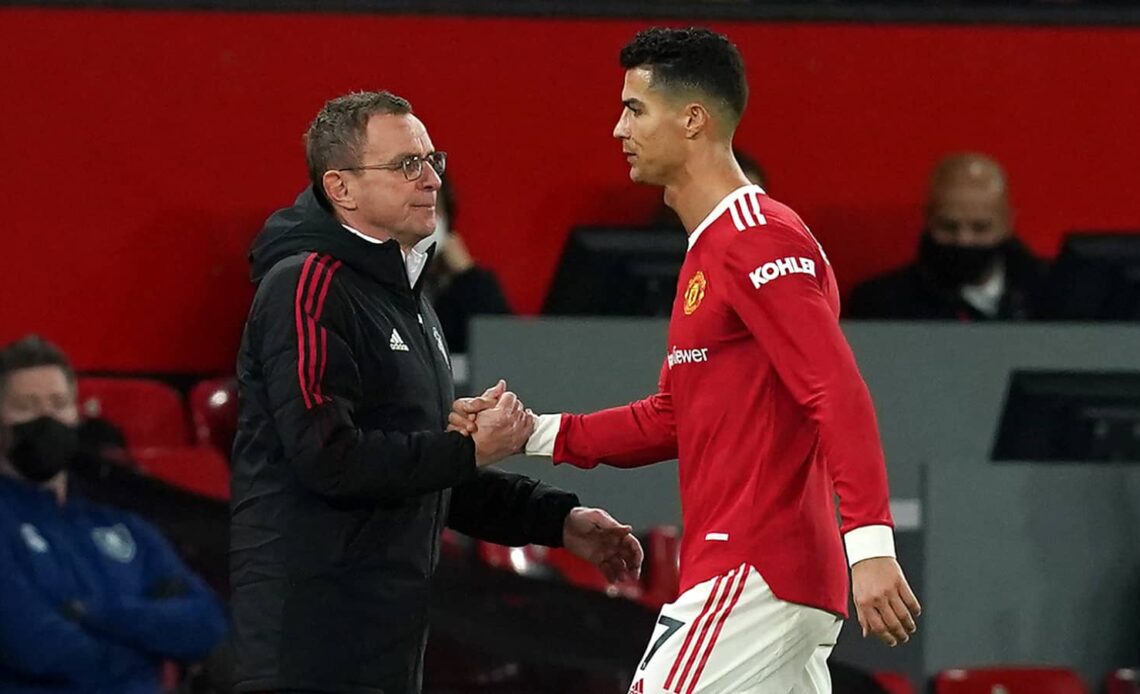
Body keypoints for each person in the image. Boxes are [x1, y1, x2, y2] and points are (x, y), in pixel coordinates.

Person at [454, 27, 920, 694]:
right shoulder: (711, 249)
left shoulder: (756, 240)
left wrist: (870, 547)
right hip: (764, 577)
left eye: (635, 108)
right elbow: (674, 417)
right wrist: (531, 433)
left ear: (693, 118)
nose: (618, 129)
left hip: (755, 569)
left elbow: (835, 390)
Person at [230, 90, 643, 694]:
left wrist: (557, 520)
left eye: (432, 161)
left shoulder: (410, 299)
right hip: (311, 644)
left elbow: (425, 476)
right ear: (340, 188)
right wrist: (468, 449)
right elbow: (330, 458)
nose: (430, 180)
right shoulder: (306, 285)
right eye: (405, 165)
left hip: (388, 643)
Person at [0, 335, 228, 694]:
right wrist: (144, 653)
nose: (47, 419)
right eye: (27, 406)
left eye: (59, 404)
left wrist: (95, 614)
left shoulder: (117, 522)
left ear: (76, 414)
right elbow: (33, 646)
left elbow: (206, 623)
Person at [847, 153, 1047, 320]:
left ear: (1007, 222)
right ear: (928, 220)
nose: (964, 240)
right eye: (948, 227)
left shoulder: (1054, 295)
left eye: (980, 228)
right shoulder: (882, 305)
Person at [423, 177, 512, 355]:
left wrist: (468, 275)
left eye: (431, 208)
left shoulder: (465, 286)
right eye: (414, 208)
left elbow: (505, 349)